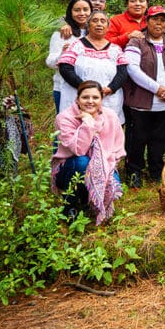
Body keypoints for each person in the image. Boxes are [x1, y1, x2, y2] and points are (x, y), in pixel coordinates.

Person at [123, 6, 165, 186]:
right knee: (138, 138)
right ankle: (134, 172)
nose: (159, 23)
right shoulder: (137, 42)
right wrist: (157, 89)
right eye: (154, 19)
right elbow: (132, 69)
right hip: (142, 102)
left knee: (160, 139)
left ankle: (156, 172)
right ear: (147, 21)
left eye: (162, 20)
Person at [52, 80, 125, 224]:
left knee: (114, 183)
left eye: (95, 97)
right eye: (85, 97)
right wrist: (88, 123)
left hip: (103, 165)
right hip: (69, 169)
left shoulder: (110, 116)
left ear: (101, 99)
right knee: (83, 162)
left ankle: (89, 201)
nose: (90, 101)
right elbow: (79, 150)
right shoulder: (64, 118)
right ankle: (70, 206)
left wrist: (105, 168)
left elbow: (118, 149)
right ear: (77, 99)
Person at [57, 10, 128, 122]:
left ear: (107, 27)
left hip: (109, 100)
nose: (99, 24)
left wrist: (111, 88)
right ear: (88, 26)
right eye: (95, 21)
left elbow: (123, 72)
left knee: (107, 133)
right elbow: (65, 68)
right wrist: (86, 88)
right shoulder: (75, 46)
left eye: (103, 21)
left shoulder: (115, 49)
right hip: (80, 98)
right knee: (81, 133)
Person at [46, 0, 92, 112]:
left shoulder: (96, 33)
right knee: (66, 125)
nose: (82, 13)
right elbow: (50, 63)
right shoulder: (61, 33)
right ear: (70, 12)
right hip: (63, 87)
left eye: (85, 9)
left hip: (92, 90)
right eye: (77, 10)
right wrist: (62, 54)